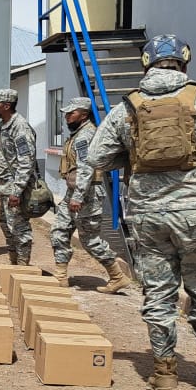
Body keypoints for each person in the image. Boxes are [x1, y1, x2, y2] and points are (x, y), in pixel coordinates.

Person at [86, 34, 196, 390]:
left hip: (147, 216)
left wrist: (133, 158)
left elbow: (97, 157)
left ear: (145, 64)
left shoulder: (128, 107)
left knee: (158, 293)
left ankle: (164, 372)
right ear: (184, 63)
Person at [49, 96, 130, 293]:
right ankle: (60, 276)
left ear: (84, 115)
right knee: (59, 230)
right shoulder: (78, 133)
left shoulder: (86, 136)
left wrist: (78, 196)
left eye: (72, 113)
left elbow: (86, 167)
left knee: (89, 240)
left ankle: (117, 276)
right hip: (74, 192)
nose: (67, 117)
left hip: (87, 194)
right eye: (66, 113)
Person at [0, 88, 38, 265]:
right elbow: (1, 157)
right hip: (4, 185)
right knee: (6, 225)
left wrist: (17, 191)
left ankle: (23, 266)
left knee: (19, 227)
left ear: (7, 106)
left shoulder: (20, 127)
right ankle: (14, 263)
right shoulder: (2, 126)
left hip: (15, 187)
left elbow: (26, 161)